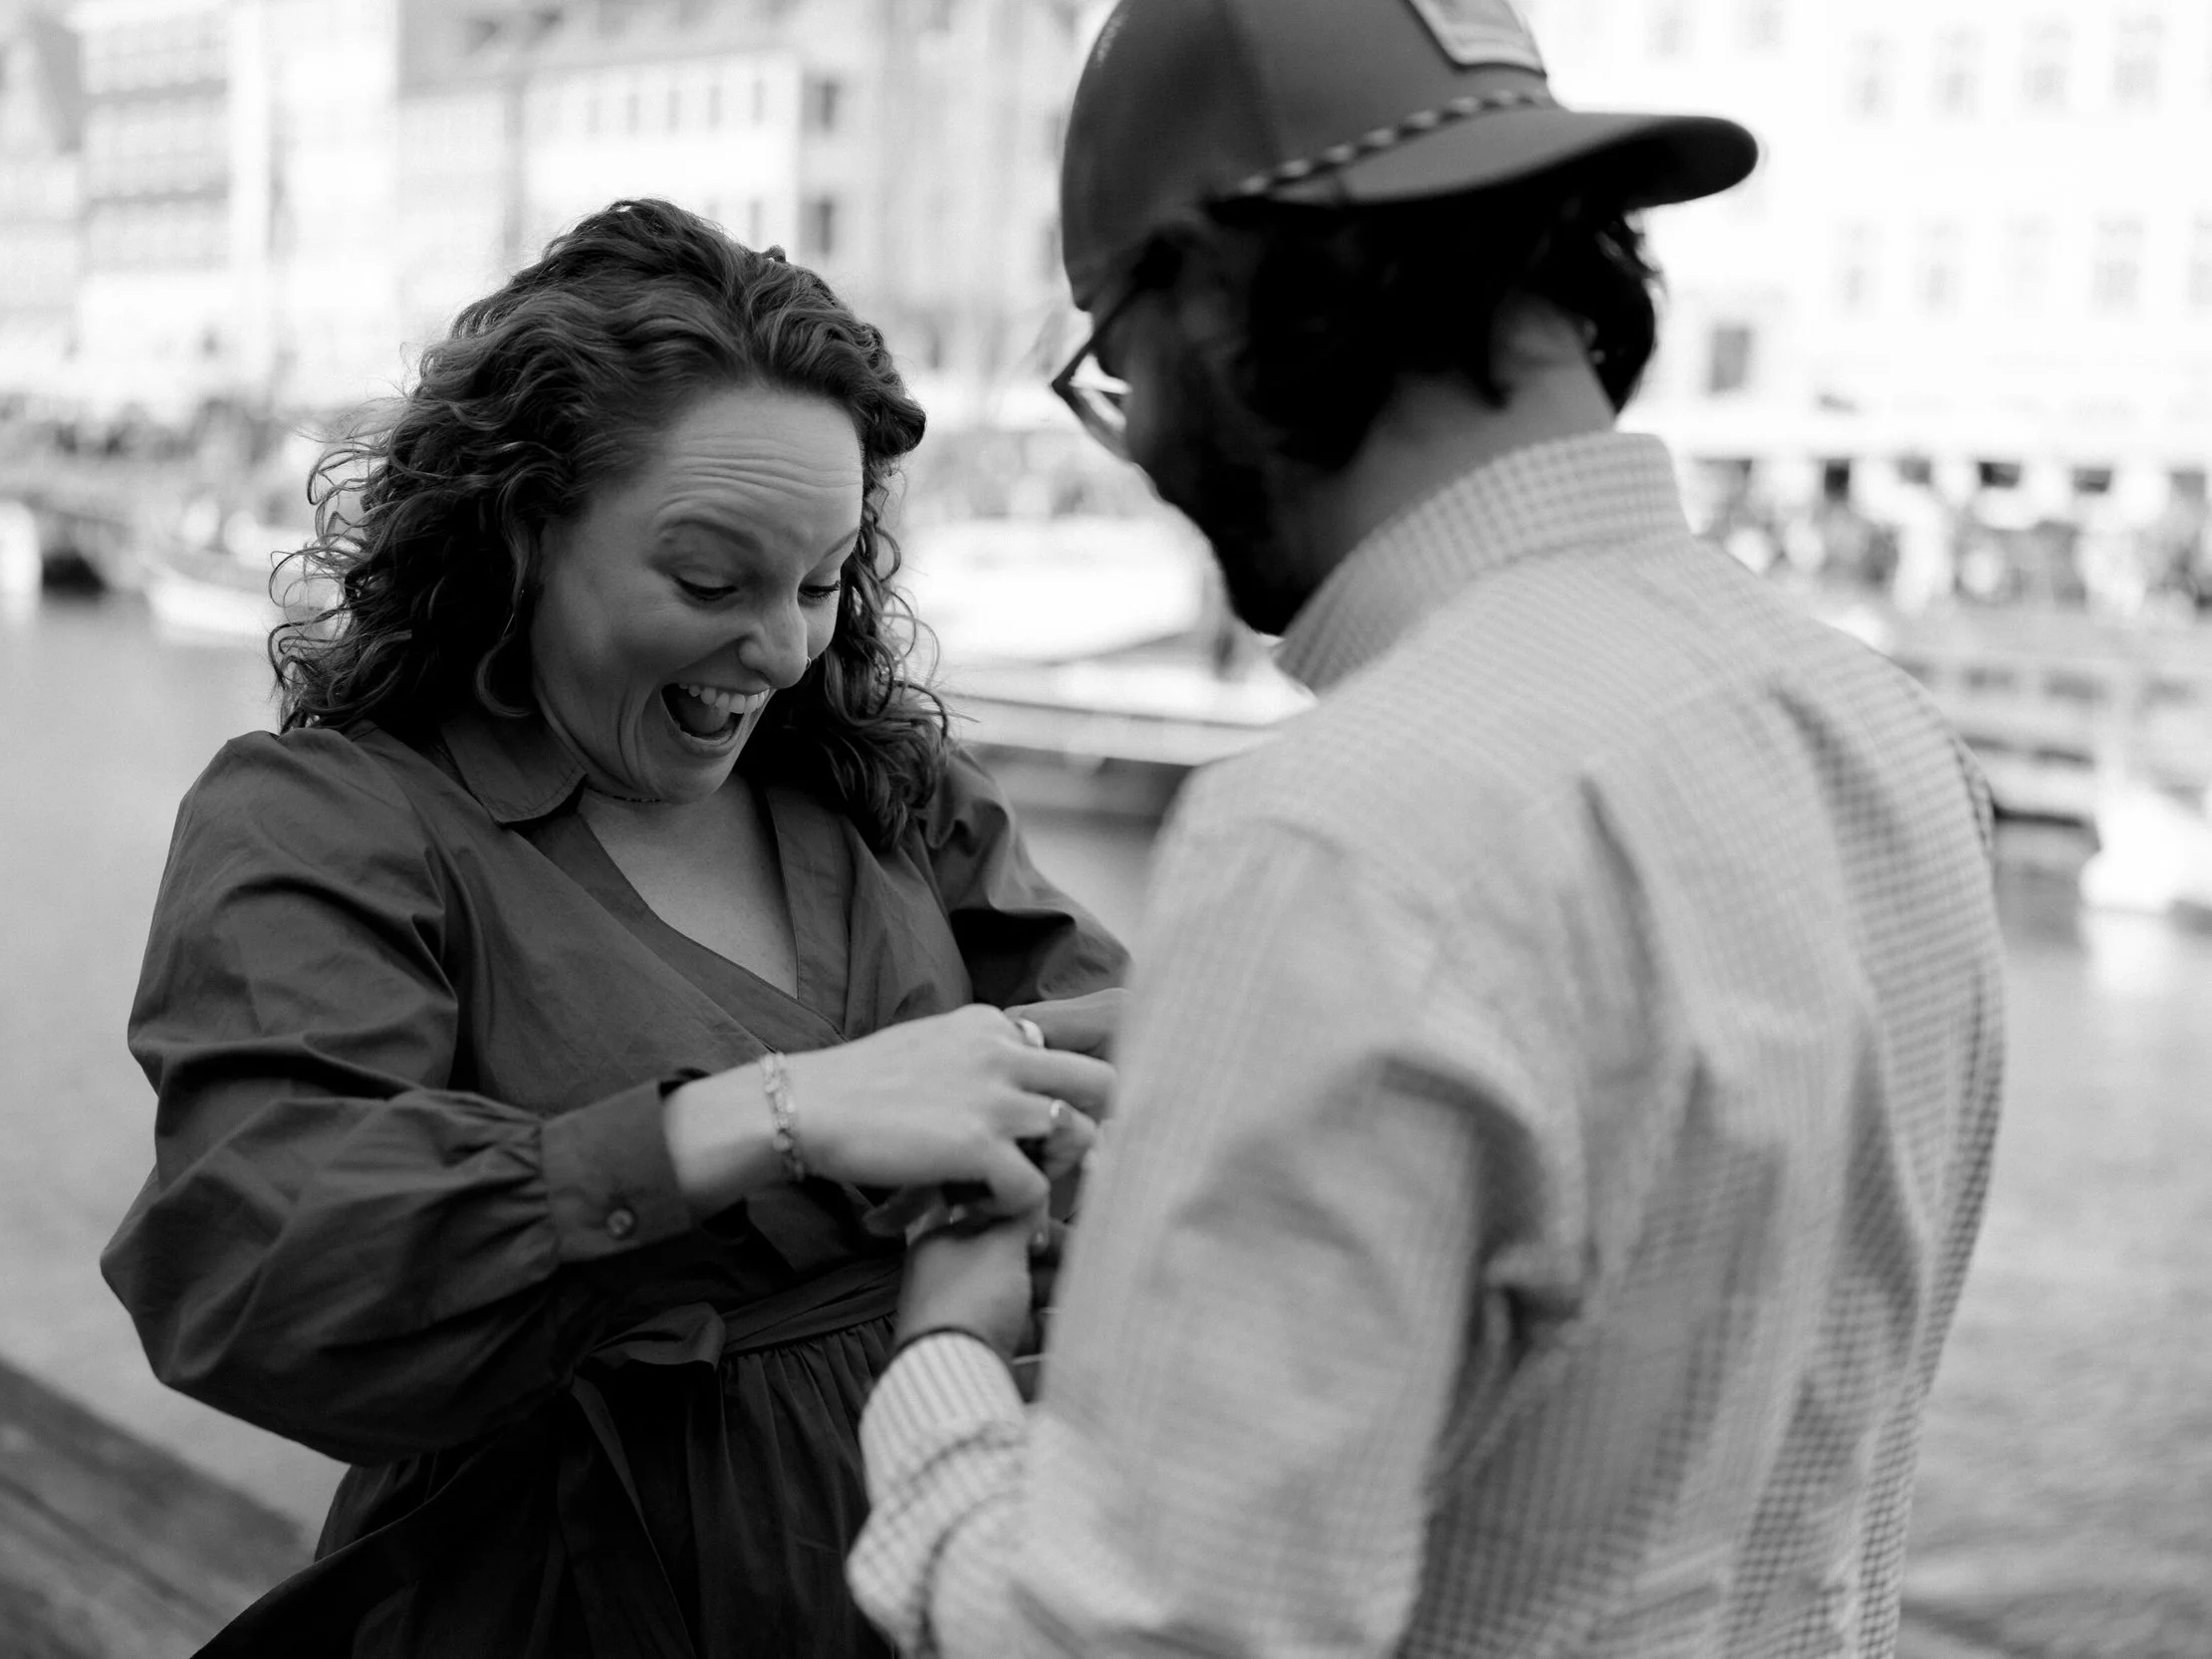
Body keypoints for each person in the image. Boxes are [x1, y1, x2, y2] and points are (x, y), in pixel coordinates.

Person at [849, 3, 2007, 1655]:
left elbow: (1129, 1641)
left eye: (1122, 367)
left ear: (1220, 305)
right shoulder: (1890, 737)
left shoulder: (1344, 831)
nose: (1148, 452)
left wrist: (941, 1378)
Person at [100, 199, 1124, 1657]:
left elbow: (1146, 1053)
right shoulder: (332, 821)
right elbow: (257, 1256)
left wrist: (1004, 1112)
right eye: (710, 581)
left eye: (823, 581)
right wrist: (780, 1114)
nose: (779, 649)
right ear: (522, 529)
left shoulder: (886, 786)